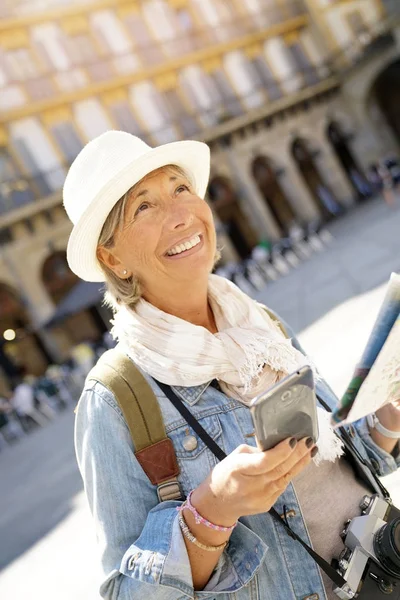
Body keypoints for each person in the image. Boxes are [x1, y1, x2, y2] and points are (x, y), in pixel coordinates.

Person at [66, 131, 400, 600]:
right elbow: (125, 593)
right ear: (112, 258)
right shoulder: (116, 397)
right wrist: (212, 511)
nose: (182, 214)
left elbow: (337, 456)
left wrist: (389, 413)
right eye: (144, 207)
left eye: (180, 188)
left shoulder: (261, 325)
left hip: (384, 570)